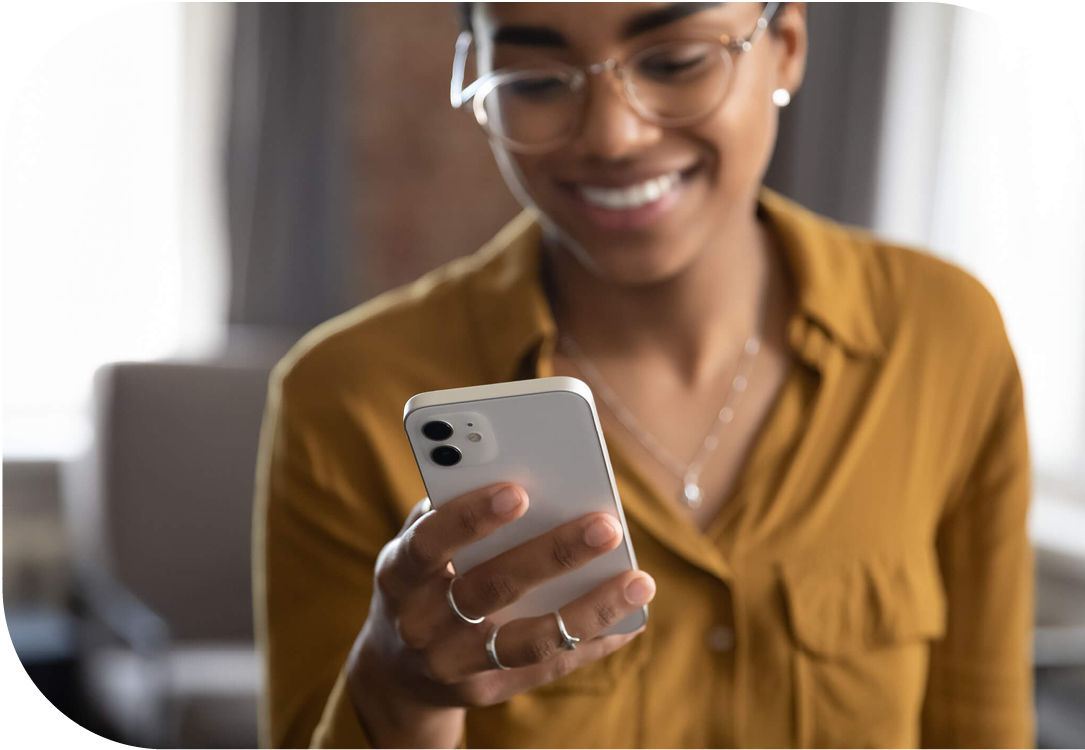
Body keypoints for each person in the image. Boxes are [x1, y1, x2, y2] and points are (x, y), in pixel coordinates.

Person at [253, 3, 1034, 749]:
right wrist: (401, 695)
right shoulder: (345, 398)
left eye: (676, 61)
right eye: (532, 79)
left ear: (786, 44)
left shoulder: (942, 339)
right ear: (476, 79)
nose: (613, 136)